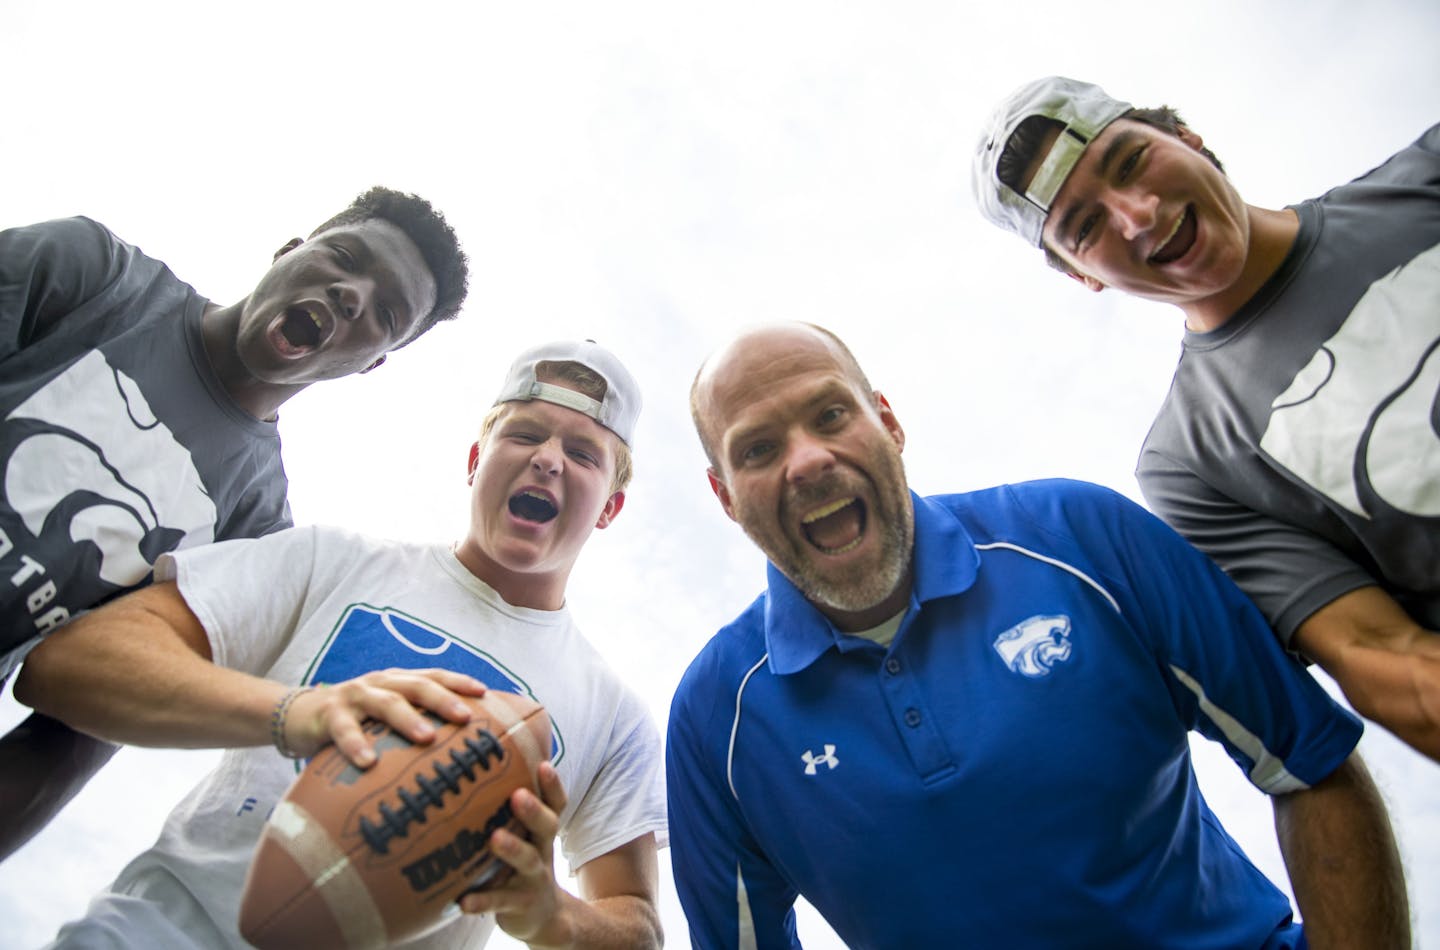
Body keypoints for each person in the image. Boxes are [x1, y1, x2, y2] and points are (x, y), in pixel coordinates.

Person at [667, 322, 1408, 948]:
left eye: (830, 415)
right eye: (757, 450)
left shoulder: (1081, 537)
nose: (807, 461)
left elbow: (1305, 766)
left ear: (888, 422)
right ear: (724, 496)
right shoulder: (713, 719)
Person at [14, 338, 665, 949]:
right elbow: (68, 664)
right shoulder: (334, 561)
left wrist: (552, 913)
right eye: (523, 433)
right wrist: (301, 712)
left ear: (610, 506)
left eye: (583, 454)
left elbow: (636, 923)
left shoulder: (613, 716)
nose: (547, 458)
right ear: (474, 461)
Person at [970, 76, 1440, 762]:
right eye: (1086, 227)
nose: (1137, 216)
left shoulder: (1424, 181)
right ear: (1081, 274)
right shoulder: (1190, 465)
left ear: (1185, 136)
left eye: (1129, 162)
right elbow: (1379, 655)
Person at [0, 187, 472, 860]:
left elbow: (75, 735)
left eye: (387, 312)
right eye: (344, 256)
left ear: (373, 362)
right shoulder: (92, 274)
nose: (351, 294)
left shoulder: (254, 532)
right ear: (288, 252)